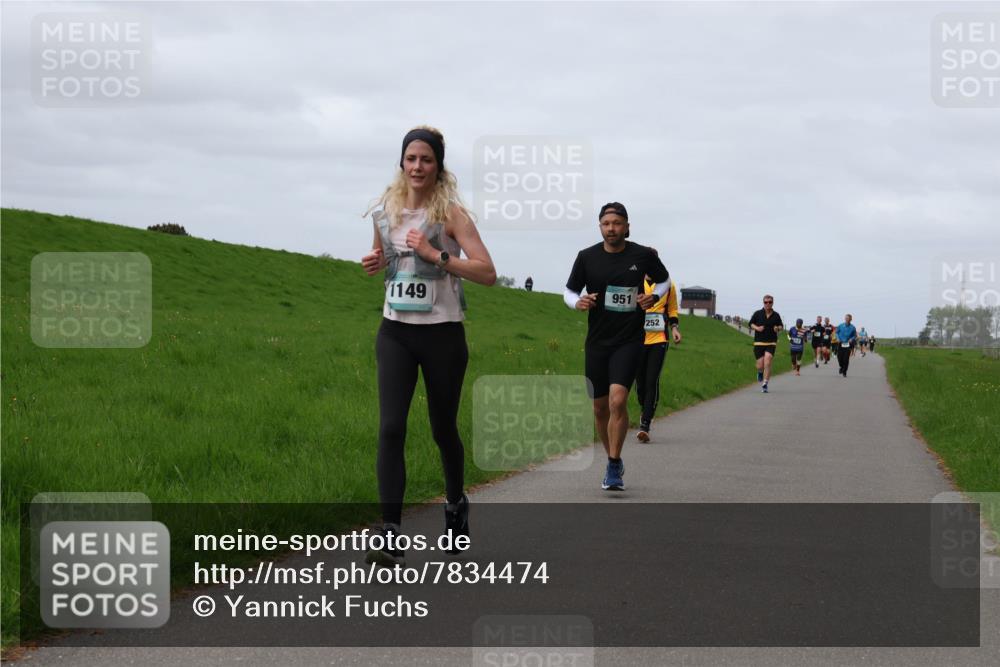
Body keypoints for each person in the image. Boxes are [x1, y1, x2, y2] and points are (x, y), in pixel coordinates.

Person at [361, 126, 497, 566]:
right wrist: (376, 261)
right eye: (411, 158)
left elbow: (486, 272)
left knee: (443, 430)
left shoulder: (452, 216)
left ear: (439, 168)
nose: (417, 167)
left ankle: (456, 505)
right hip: (395, 332)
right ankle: (390, 530)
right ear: (401, 163)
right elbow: (386, 263)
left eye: (426, 160)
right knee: (390, 428)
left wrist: (436, 255)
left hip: (443, 334)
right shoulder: (386, 212)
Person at [564, 202, 670, 491]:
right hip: (597, 342)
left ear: (627, 226)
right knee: (599, 409)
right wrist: (578, 302)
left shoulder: (642, 255)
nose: (611, 228)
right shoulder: (586, 257)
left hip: (629, 340)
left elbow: (664, 281)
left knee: (618, 401)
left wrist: (654, 298)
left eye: (617, 223)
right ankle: (612, 456)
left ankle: (613, 463)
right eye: (606, 223)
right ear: (600, 227)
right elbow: (570, 290)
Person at [635, 267, 681, 443]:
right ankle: (644, 409)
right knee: (640, 383)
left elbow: (673, 310)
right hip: (637, 339)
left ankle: (645, 425)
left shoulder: (668, 285)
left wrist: (675, 328)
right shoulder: (636, 282)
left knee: (651, 380)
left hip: (659, 339)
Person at [749, 295, 783, 393]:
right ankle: (760, 372)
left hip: (771, 342)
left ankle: (765, 384)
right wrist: (757, 328)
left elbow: (780, 326)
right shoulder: (758, 313)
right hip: (759, 342)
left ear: (773, 303)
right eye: (766, 302)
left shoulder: (776, 315)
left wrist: (778, 328)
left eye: (770, 302)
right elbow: (750, 323)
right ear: (763, 303)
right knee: (760, 365)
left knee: (767, 362)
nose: (768, 304)